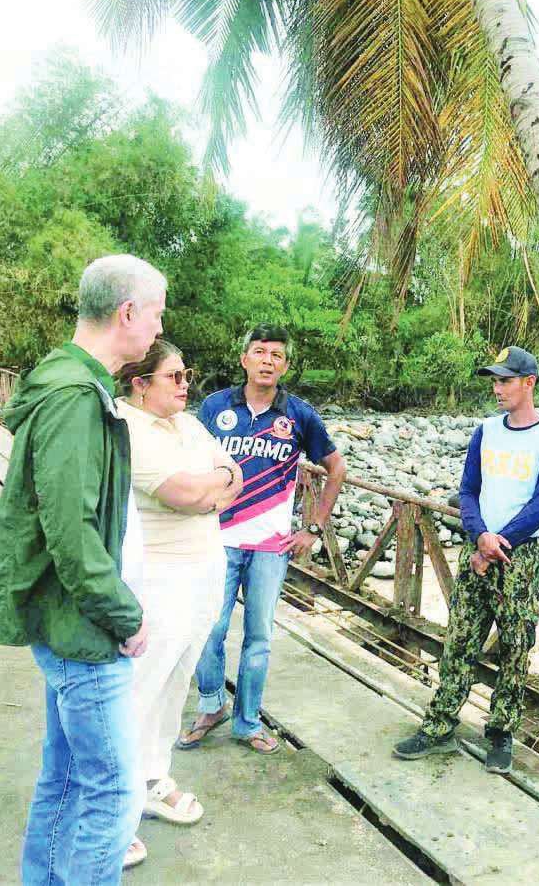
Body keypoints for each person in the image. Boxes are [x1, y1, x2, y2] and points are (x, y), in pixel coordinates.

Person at [0, 254, 166, 885]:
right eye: (156, 312)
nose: (158, 326)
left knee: (65, 777)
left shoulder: (72, 382)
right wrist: (124, 612)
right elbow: (70, 530)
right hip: (84, 630)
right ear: (126, 313)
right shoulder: (73, 397)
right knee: (114, 791)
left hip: (68, 622)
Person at [394, 346, 539, 775]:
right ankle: (439, 725)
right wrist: (479, 536)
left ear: (528, 383)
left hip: (519, 554)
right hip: (478, 548)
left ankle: (500, 731)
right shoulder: (486, 431)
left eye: (505, 380)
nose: (497, 388)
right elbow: (468, 490)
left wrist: (498, 542)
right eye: (494, 380)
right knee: (461, 638)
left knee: (514, 644)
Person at [179, 323, 347, 755]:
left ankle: (248, 721)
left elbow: (335, 468)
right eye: (259, 351)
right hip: (216, 540)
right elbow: (189, 463)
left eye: (276, 354)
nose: (267, 360)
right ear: (244, 360)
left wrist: (313, 528)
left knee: (259, 636)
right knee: (207, 628)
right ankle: (211, 703)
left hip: (271, 546)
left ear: (285, 365)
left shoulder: (300, 416)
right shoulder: (216, 408)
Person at [114, 339, 243, 868]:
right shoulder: (127, 427)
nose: (186, 384)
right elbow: (188, 493)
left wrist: (210, 486)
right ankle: (114, 811)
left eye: (187, 374)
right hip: (157, 579)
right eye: (174, 376)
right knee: (138, 691)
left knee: (175, 684)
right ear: (140, 383)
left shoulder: (188, 424)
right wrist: (209, 489)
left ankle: (151, 777)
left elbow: (234, 474)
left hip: (202, 573)